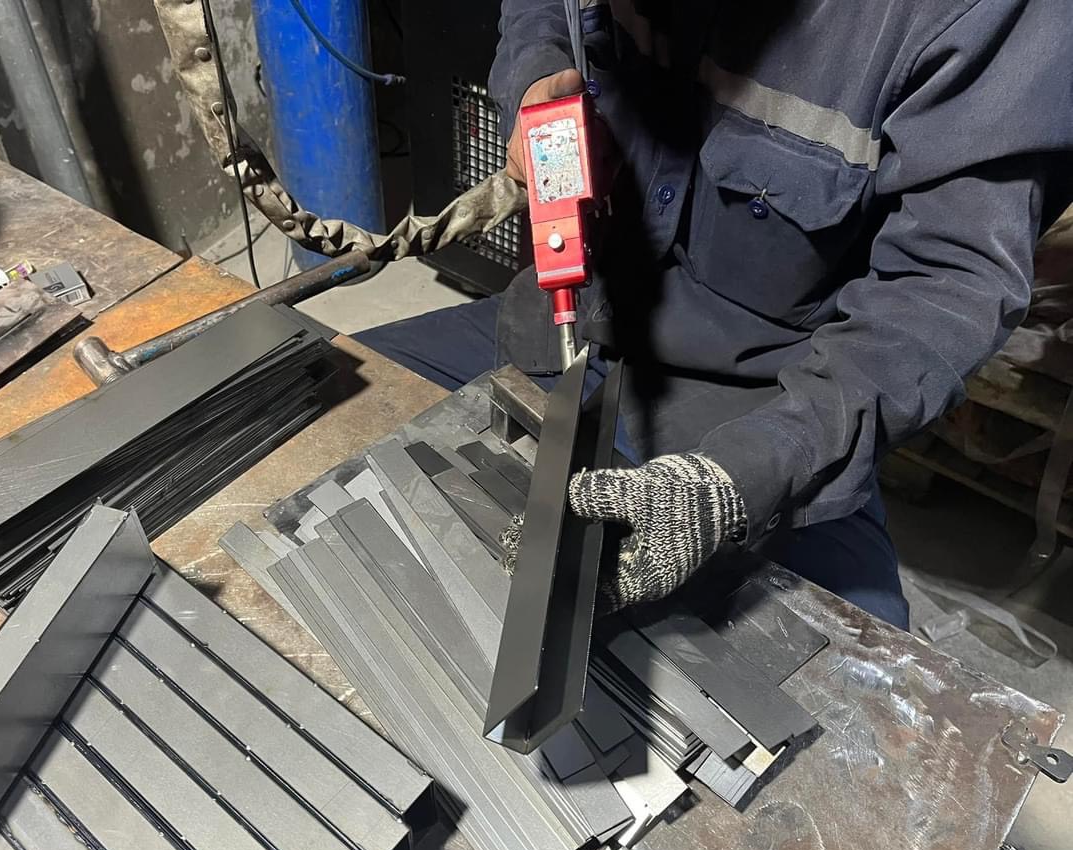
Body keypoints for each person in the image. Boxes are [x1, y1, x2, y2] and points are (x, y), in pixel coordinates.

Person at [357, 0, 1073, 630]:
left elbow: (944, 286)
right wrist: (537, 72)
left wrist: (736, 481)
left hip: (764, 405)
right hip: (571, 320)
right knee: (341, 417)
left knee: (845, 681)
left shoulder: (988, 16)